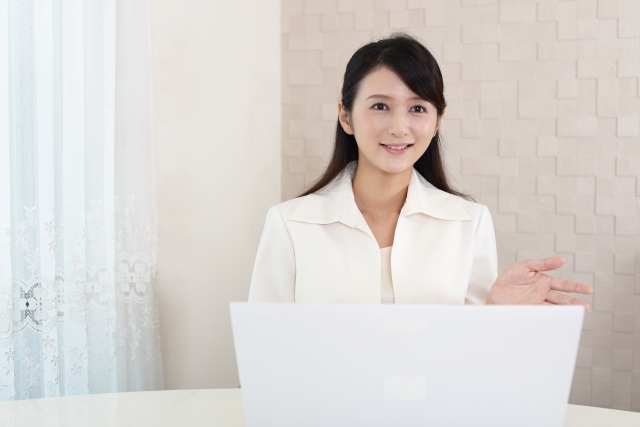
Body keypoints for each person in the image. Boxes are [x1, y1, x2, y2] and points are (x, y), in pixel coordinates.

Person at [248, 33, 592, 307]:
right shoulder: (290, 224)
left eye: (417, 108)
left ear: (438, 120)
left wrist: (494, 315)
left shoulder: (469, 223)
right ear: (345, 116)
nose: (399, 128)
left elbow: (473, 357)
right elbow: (265, 349)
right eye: (380, 106)